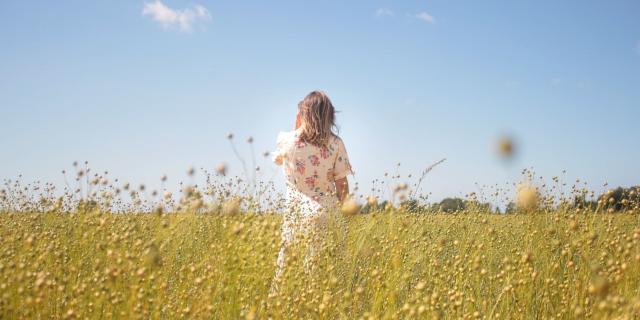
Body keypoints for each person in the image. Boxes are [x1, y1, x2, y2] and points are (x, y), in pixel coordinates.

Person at [269, 90, 353, 294]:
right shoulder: (336, 143)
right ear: (329, 116)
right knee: (325, 275)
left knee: (287, 270)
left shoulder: (287, 141)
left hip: (296, 214)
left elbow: (283, 155)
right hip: (328, 213)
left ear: (303, 113)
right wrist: (345, 216)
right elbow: (342, 185)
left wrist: (297, 124)